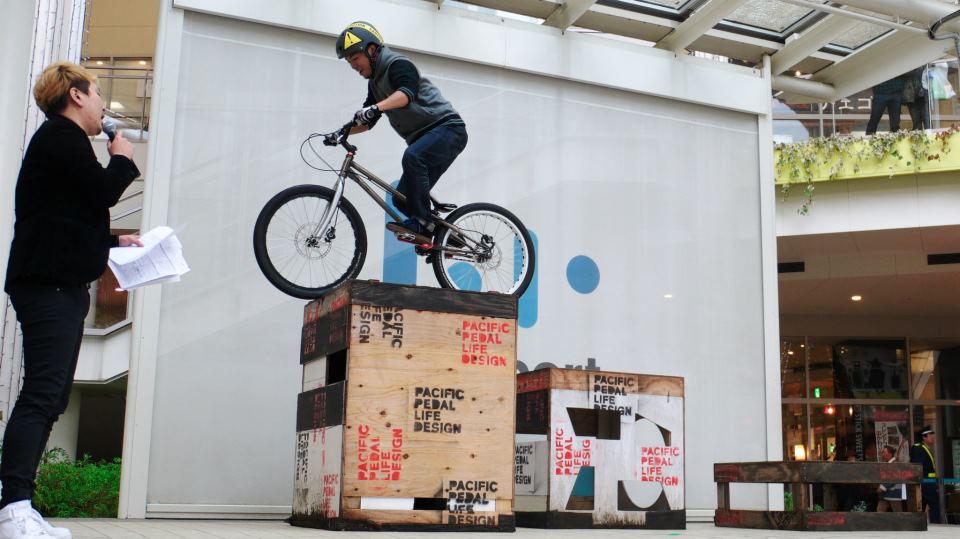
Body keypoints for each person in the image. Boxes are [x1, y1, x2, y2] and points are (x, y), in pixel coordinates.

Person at [0, 61, 141, 539]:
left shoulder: (61, 143)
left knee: (53, 395)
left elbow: (66, 219)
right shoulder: (62, 137)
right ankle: (13, 507)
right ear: (76, 95)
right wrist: (122, 157)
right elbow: (102, 192)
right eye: (98, 93)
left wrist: (114, 244)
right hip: (49, 285)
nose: (102, 104)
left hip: (56, 281)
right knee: (42, 393)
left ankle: (21, 504)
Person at [333, 21, 468, 245]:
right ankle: (445, 239)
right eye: (349, 62)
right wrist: (342, 132)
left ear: (371, 50)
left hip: (448, 129)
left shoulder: (398, 65)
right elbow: (368, 121)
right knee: (402, 199)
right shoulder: (375, 84)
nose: (353, 66)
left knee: (413, 156)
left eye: (355, 58)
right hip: (429, 138)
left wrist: (376, 107)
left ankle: (423, 222)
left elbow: (406, 95)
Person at [909, 426, 940, 523]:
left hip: (928, 483)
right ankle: (936, 525)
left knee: (923, 506)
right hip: (925, 483)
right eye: (930, 435)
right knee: (934, 505)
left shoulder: (924, 448)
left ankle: (918, 524)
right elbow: (917, 466)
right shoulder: (918, 448)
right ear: (924, 437)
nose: (933, 437)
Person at [877, 445, 905, 512]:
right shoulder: (888, 464)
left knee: (897, 513)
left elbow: (894, 478)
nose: (882, 454)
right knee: (880, 511)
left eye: (884, 452)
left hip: (894, 494)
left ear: (889, 454)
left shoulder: (895, 464)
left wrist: (882, 487)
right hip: (886, 494)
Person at [903, 67, 929, 131]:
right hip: (911, 95)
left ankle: (929, 133)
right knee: (916, 120)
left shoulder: (923, 65)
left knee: (926, 118)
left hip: (922, 94)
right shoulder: (906, 66)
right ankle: (918, 134)